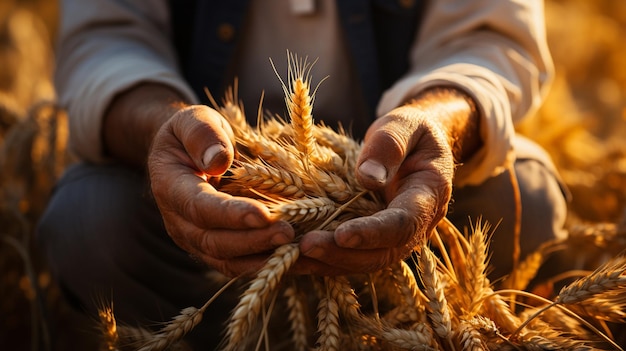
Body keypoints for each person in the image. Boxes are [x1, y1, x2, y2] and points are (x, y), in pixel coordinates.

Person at [38, 0, 568, 348]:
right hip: (211, 177)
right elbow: (105, 38)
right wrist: (165, 126)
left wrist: (434, 119)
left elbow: (492, 39)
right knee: (88, 219)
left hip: (391, 179)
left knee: (526, 200)